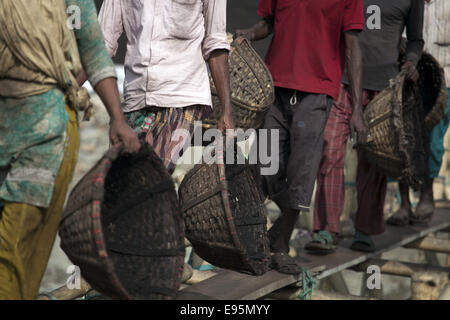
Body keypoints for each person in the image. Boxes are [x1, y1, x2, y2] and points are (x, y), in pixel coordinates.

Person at [0, 0, 140, 299]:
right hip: (5, 129)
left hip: (47, 136)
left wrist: (117, 118)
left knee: (12, 248)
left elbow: (93, 51)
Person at [235, 0, 365, 274]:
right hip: (275, 87)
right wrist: (249, 33)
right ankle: (255, 238)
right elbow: (267, 23)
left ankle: (280, 246)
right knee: (264, 165)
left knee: (302, 172)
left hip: (317, 92)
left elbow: (352, 46)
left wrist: (356, 110)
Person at [308, 0, 424, 255]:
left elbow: (416, 39)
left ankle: (364, 229)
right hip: (343, 81)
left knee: (374, 160)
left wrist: (411, 61)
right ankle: (326, 229)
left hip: (384, 88)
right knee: (329, 149)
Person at [96, 0, 234, 174]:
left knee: (154, 177)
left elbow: (215, 42)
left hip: (182, 97)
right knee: (123, 181)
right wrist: (69, 88)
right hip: (136, 97)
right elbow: (101, 45)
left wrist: (226, 112)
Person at [388, 0, 450, 226]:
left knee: (432, 143)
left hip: (443, 82)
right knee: (402, 142)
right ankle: (404, 202)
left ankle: (427, 193)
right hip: (406, 79)